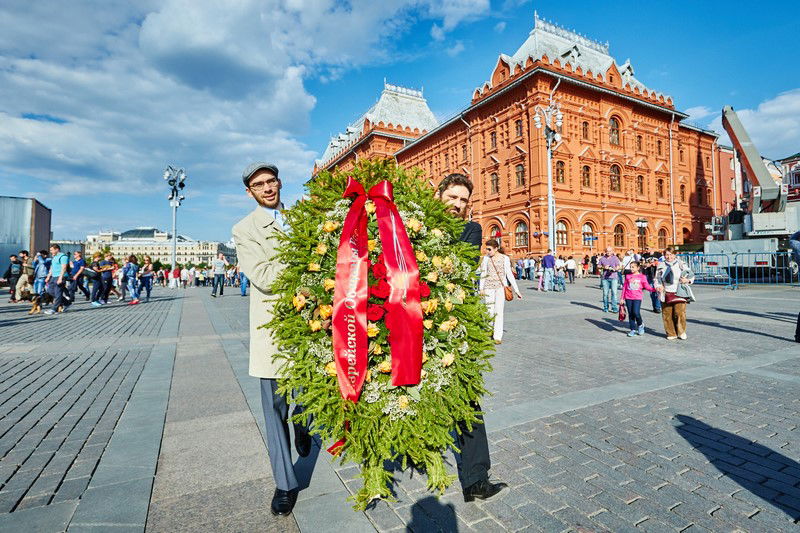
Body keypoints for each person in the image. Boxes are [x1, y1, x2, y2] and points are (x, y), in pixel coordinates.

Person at [232, 162, 311, 516]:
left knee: (310, 393)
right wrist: (305, 261)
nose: (266, 187)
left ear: (280, 183)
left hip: (311, 324)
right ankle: (285, 483)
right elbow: (262, 275)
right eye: (258, 184)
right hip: (275, 330)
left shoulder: (302, 218)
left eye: (271, 181)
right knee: (274, 407)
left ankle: (304, 421)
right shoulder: (244, 229)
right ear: (250, 192)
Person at [435, 172, 508, 503]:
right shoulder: (415, 223)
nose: (458, 204)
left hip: (453, 326)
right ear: (439, 195)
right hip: (414, 322)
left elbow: (455, 267)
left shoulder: (471, 229)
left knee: (466, 400)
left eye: (464, 200)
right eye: (452, 197)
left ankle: (476, 479)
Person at [479, 239, 522, 343]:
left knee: (499, 311)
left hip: (500, 288)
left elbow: (509, 274)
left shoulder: (505, 258)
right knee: (489, 311)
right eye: (486, 249)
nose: (487, 251)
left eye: (489, 249)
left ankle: (497, 336)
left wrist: (516, 290)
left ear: (496, 248)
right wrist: (481, 288)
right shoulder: (485, 258)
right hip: (488, 287)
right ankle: (489, 331)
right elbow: (483, 273)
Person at [654, 247, 695, 340]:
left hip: (679, 291)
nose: (669, 257)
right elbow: (657, 278)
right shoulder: (661, 265)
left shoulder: (681, 264)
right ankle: (671, 333)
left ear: (675, 255)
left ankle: (681, 332)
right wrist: (658, 286)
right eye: (667, 255)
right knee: (667, 314)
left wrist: (687, 280)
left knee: (679, 313)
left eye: (671, 254)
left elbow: (691, 275)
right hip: (666, 291)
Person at [619, 261, 656, 337]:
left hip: (637, 297)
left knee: (636, 312)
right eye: (631, 267)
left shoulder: (642, 276)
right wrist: (622, 298)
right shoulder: (628, 276)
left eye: (633, 267)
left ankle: (640, 325)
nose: (631, 268)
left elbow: (647, 286)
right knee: (631, 314)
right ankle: (632, 329)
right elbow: (624, 288)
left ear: (638, 268)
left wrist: (655, 289)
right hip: (628, 297)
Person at [44, 244, 71, 314]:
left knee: (58, 292)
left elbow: (64, 267)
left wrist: (60, 278)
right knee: (50, 291)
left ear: (57, 249)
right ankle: (67, 303)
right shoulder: (54, 257)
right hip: (53, 276)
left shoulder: (63, 256)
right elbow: (52, 268)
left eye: (52, 250)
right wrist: (48, 276)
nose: (51, 252)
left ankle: (54, 309)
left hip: (60, 276)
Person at [599, 247, 621, 313]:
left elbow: (618, 266)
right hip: (605, 278)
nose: (608, 252)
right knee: (605, 294)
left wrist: (616, 269)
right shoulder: (602, 258)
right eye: (607, 251)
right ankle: (606, 307)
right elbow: (598, 266)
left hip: (614, 277)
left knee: (614, 293)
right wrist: (603, 267)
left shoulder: (615, 258)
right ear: (605, 251)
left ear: (612, 251)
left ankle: (614, 308)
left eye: (610, 251)